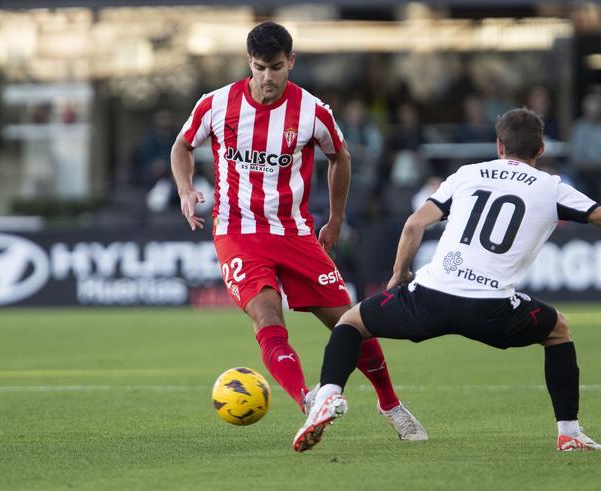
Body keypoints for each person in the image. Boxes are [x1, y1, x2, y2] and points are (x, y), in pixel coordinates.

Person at [293, 109, 601, 453]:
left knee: (351, 322)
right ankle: (569, 432)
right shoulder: (552, 187)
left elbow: (412, 225)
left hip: (430, 297)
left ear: (499, 146)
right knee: (558, 330)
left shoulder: (467, 174)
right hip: (490, 309)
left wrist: (399, 276)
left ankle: (329, 391)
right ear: (541, 150)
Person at [170, 21, 426, 440]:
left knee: (350, 321)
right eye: (258, 68)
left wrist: (337, 218)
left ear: (292, 61)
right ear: (248, 63)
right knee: (268, 316)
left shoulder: (311, 111)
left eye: (275, 67)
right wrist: (185, 190)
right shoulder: (215, 104)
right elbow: (182, 145)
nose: (267, 77)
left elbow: (339, 157)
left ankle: (391, 404)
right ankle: (310, 401)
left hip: (294, 232)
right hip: (238, 230)